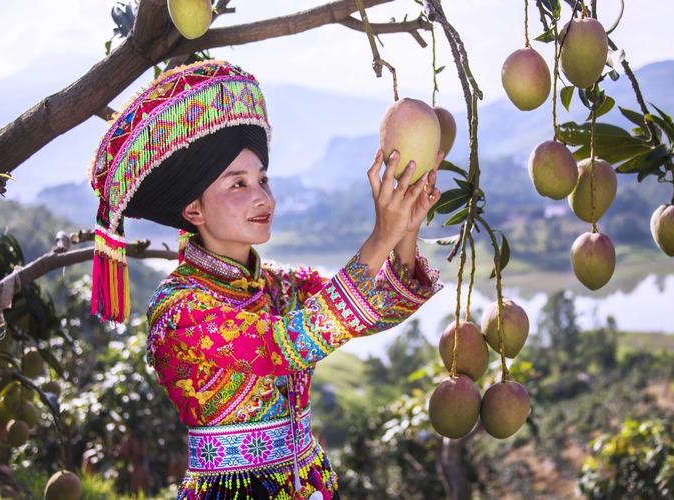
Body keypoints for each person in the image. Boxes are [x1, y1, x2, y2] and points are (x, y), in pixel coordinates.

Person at [89, 60, 444, 499]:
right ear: (193, 211)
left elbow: (376, 310)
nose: (261, 196)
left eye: (262, 179)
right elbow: (283, 346)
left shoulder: (279, 286)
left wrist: (405, 227)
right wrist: (380, 236)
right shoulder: (177, 308)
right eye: (237, 184)